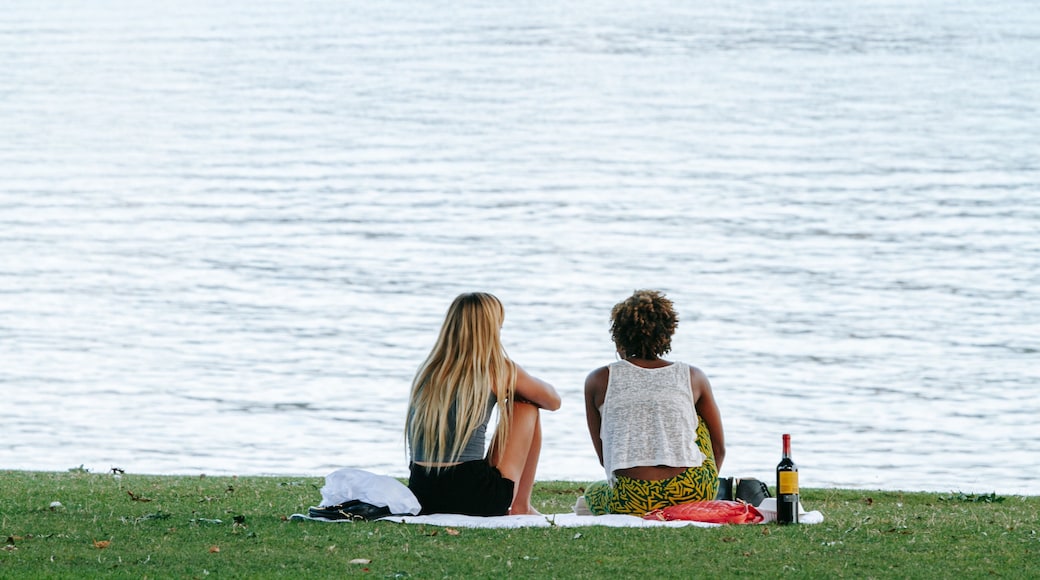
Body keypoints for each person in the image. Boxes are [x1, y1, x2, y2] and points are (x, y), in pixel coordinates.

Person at [406, 292, 561, 516]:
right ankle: (521, 507)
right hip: (475, 498)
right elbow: (553, 401)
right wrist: (512, 391)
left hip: (422, 496)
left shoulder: (428, 371)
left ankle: (522, 507)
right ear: (491, 328)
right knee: (526, 406)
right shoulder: (498, 369)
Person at [582, 289, 725, 515]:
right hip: (692, 490)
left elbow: (605, 456)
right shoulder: (692, 376)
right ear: (667, 334)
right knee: (696, 415)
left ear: (618, 335)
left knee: (592, 493)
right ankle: (692, 499)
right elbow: (718, 448)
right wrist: (702, 490)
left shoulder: (598, 380)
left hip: (631, 497)